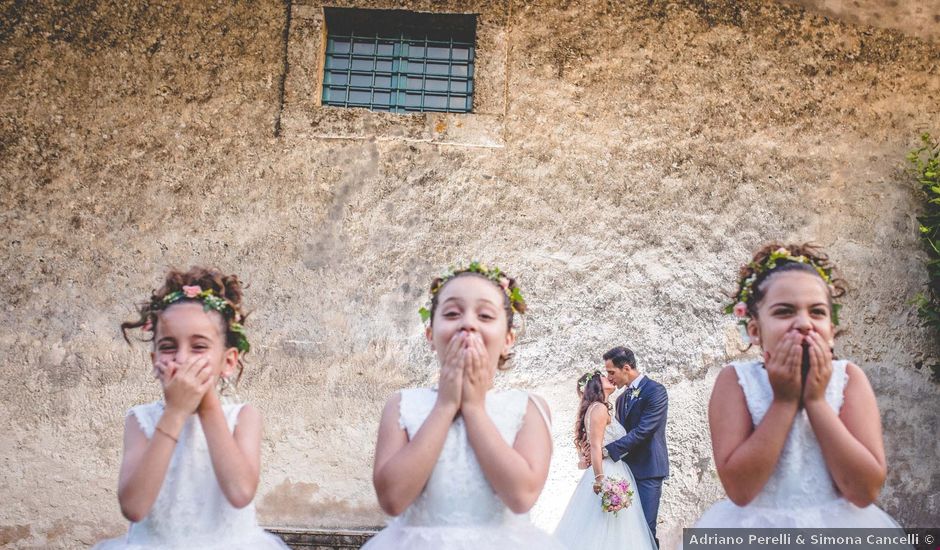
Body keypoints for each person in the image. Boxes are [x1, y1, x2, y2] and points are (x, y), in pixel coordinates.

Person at [693, 243, 905, 530]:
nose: (804, 323)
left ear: (831, 330)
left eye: (817, 312)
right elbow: (740, 491)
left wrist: (816, 401)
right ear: (755, 330)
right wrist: (784, 401)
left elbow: (864, 491)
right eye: (784, 312)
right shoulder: (735, 381)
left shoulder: (849, 379)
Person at [363, 262, 566, 550]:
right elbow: (392, 499)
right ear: (430, 335)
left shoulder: (529, 407)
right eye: (452, 313)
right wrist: (445, 406)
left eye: (484, 315)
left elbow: (521, 496)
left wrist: (474, 408)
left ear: (508, 339)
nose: (468, 323)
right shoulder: (402, 404)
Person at [94, 267, 287, 549]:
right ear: (154, 359)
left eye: (198, 347)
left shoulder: (243, 417)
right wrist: (175, 412)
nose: (183, 358)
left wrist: (206, 406)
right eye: (169, 346)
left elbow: (240, 492)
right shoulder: (141, 420)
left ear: (228, 362)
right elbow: (134, 507)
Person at [554, 371, 657, 550]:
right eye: (603, 376)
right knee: (612, 528)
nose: (608, 377)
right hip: (608, 472)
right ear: (596, 385)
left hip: (612, 469)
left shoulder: (598, 408)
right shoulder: (599, 409)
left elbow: (592, 449)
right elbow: (595, 447)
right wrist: (601, 480)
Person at [603, 346, 669, 546]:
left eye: (611, 372)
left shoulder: (656, 391)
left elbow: (643, 431)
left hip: (648, 470)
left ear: (626, 368)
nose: (610, 377)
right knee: (626, 530)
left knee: (646, 528)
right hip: (625, 472)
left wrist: (607, 450)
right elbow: (619, 432)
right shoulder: (621, 399)